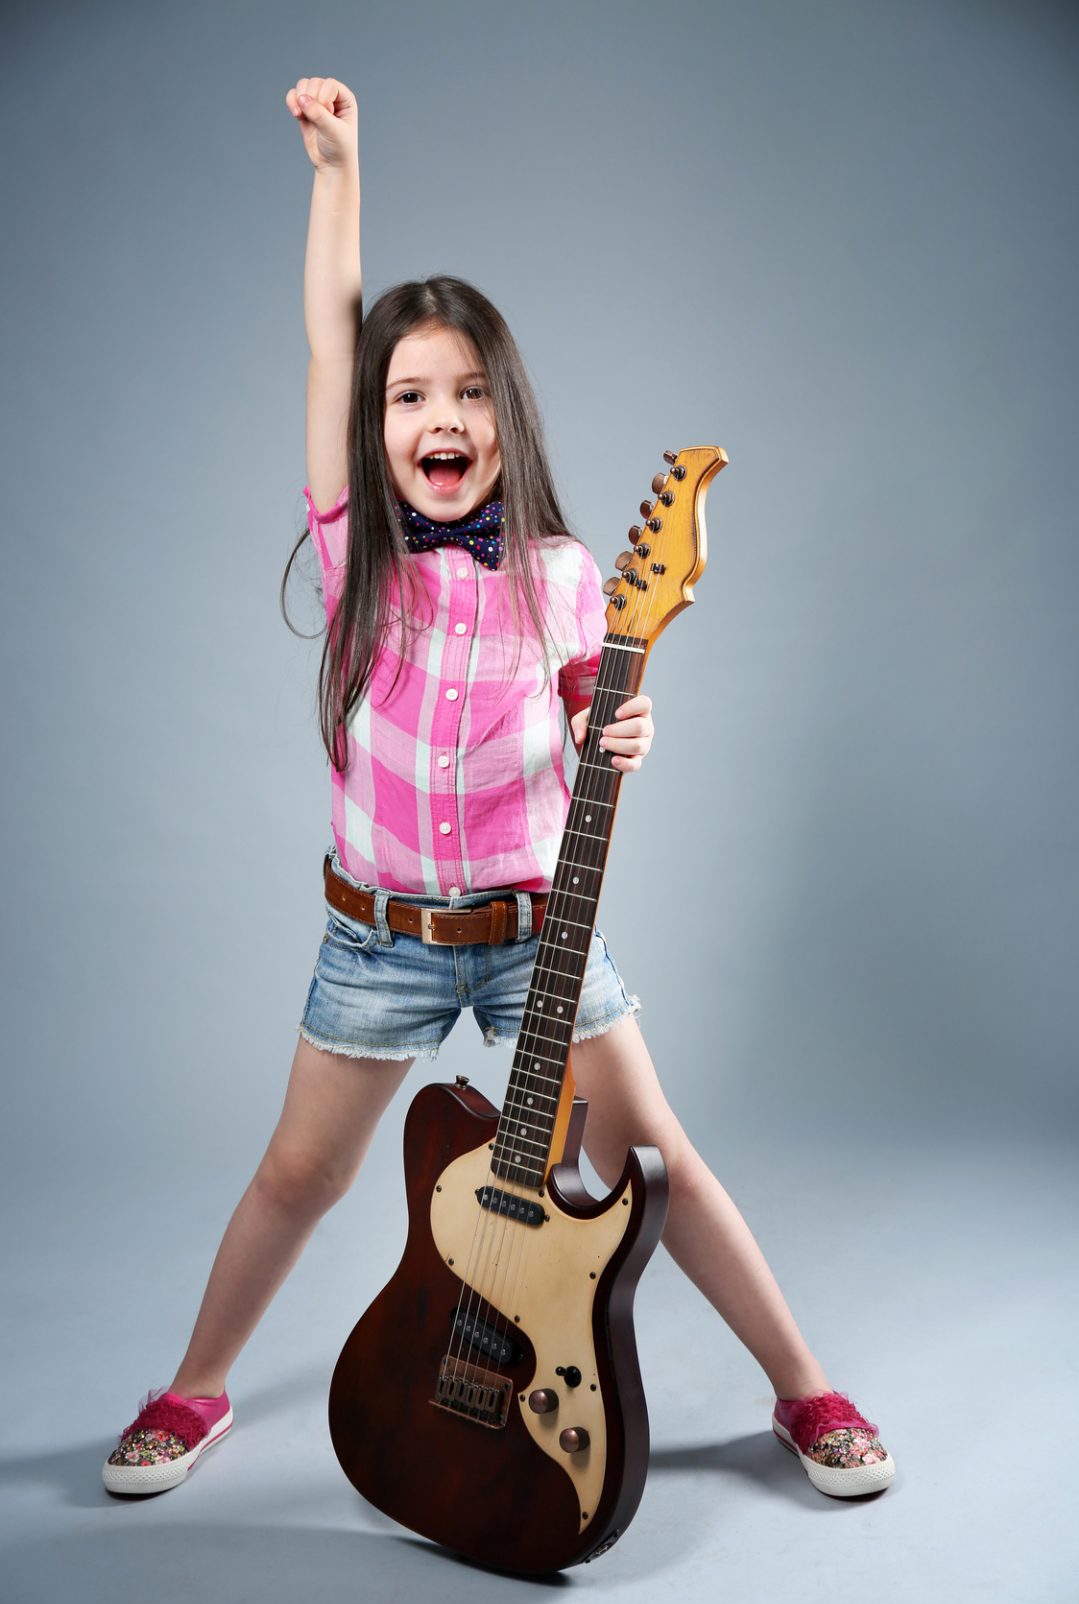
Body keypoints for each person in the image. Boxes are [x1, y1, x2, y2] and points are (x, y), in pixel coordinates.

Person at [102, 74, 895, 1505]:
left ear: (507, 415)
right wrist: (339, 173)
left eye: (469, 390)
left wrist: (626, 735)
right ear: (376, 426)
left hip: (538, 927)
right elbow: (326, 345)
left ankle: (804, 1386)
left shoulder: (571, 575)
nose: (438, 415)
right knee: (300, 1177)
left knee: (660, 1161)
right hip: (378, 935)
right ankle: (195, 1387)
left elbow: (598, 725)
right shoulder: (358, 558)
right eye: (411, 396)